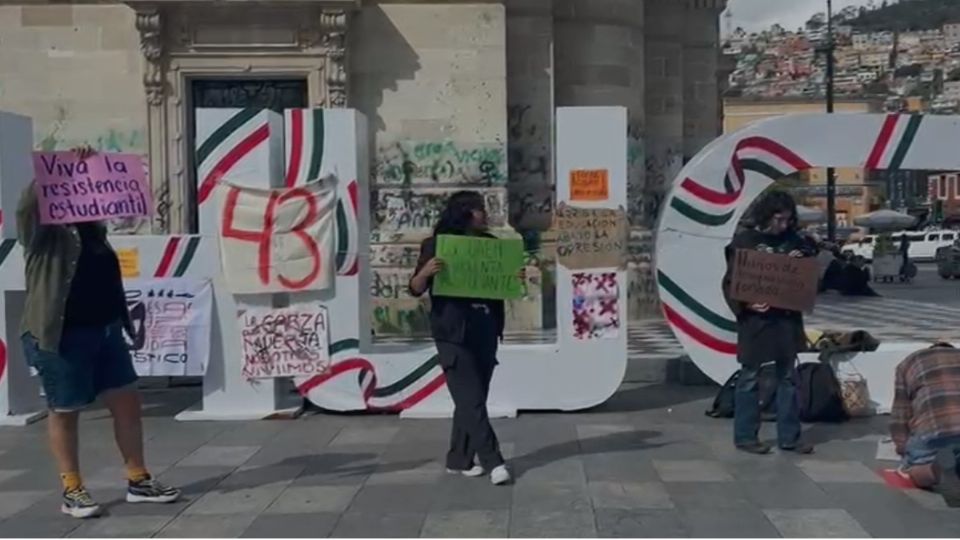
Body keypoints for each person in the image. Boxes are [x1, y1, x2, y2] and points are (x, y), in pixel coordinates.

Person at [17, 147, 180, 518]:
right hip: (60, 333)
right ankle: (72, 488)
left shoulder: (93, 227)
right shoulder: (44, 232)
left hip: (105, 330)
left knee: (127, 401)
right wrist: (55, 170)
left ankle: (138, 478)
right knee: (66, 408)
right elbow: (28, 205)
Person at [408, 190, 511, 485]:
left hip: (486, 329)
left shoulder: (491, 245)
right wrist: (426, 272)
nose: (485, 214)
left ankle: (459, 459)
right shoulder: (436, 246)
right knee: (471, 400)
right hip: (452, 333)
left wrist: (513, 279)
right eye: (480, 209)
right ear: (465, 212)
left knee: (472, 399)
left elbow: (501, 286)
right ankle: (495, 462)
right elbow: (415, 288)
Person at [722, 190, 815, 455]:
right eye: (778, 219)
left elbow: (808, 277)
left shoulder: (794, 241)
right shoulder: (745, 242)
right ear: (766, 216)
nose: (782, 225)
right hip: (756, 323)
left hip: (786, 322)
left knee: (788, 377)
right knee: (750, 377)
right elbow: (730, 283)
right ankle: (745, 436)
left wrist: (803, 261)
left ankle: (790, 437)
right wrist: (747, 303)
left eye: (787, 220)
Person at [891, 343, 960, 489]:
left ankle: (936, 471)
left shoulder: (908, 364)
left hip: (934, 431)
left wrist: (903, 449)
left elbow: (901, 414)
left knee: (916, 468)